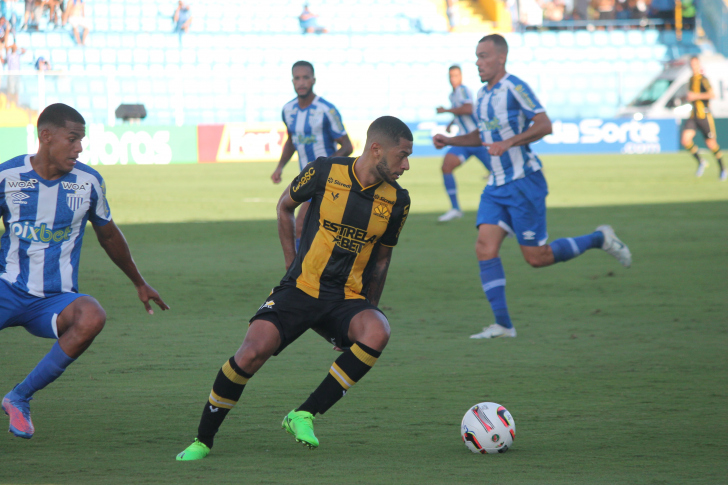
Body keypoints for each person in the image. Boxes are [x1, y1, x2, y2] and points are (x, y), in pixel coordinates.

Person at [176, 116, 412, 461]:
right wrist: (291, 266)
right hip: (301, 287)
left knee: (378, 330)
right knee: (251, 352)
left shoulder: (398, 201)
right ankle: (203, 440)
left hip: (345, 298)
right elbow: (284, 206)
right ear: (376, 149)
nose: (406, 165)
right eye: (401, 156)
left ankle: (303, 414)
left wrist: (368, 308)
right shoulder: (324, 170)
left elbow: (381, 259)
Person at [433, 34, 632, 339]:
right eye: (476, 56)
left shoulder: (515, 87)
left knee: (536, 258)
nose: (478, 62)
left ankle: (599, 238)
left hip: (524, 183)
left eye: (484, 56)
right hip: (497, 186)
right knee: (484, 248)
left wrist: (509, 141)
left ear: (501, 57)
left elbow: (544, 124)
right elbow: (482, 137)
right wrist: (451, 140)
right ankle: (503, 325)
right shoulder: (483, 96)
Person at [0, 103, 169, 439]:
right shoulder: (7, 177)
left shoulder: (88, 183)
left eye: (81, 141)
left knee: (92, 315)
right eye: (73, 139)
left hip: (56, 299)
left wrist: (139, 281)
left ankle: (19, 397)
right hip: (7, 287)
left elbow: (108, 233)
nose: (79, 148)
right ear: (46, 136)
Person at [271, 60, 353, 252]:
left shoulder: (326, 109)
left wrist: (324, 166)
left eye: (305, 77)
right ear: (292, 81)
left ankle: (297, 275)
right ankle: (306, 274)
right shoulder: (288, 110)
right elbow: (292, 140)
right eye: (297, 78)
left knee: (301, 227)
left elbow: (347, 146)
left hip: (329, 180)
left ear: (313, 80)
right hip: (307, 180)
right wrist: (280, 167)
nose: (301, 82)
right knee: (309, 229)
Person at [435, 65, 489, 222]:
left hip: (477, 139)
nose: (453, 79)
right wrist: (452, 122)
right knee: (446, 166)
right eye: (451, 76)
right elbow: (461, 111)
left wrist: (446, 111)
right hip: (463, 141)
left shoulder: (463, 90)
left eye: (456, 75)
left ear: (461, 76)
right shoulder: (453, 94)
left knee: (500, 173)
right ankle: (455, 208)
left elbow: (467, 108)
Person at [681, 56, 725, 181]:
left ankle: (722, 168)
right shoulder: (690, 80)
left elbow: (712, 94)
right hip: (693, 115)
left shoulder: (703, 80)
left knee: (711, 144)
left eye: (695, 64)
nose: (693, 66)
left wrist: (696, 96)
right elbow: (691, 97)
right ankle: (701, 161)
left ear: (699, 65)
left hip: (704, 115)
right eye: (691, 64)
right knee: (685, 140)